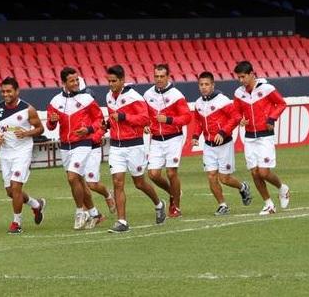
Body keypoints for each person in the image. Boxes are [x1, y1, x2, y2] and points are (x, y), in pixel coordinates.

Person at [105, 64, 166, 233]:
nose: (111, 84)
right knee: (117, 182)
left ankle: (159, 203)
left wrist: (124, 117)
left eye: (114, 81)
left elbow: (145, 119)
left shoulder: (134, 97)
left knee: (139, 183)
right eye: (109, 81)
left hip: (134, 145)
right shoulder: (109, 96)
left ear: (123, 80)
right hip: (116, 146)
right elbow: (113, 119)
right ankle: (122, 221)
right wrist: (107, 124)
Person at [46, 67, 105, 230]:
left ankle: (80, 212)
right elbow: (50, 127)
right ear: (63, 83)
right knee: (78, 181)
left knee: (72, 177)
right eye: (72, 81)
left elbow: (100, 120)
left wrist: (89, 130)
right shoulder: (55, 101)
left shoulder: (87, 99)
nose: (75, 83)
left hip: (83, 143)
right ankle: (94, 213)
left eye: (77, 80)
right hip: (65, 145)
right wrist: (52, 120)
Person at [233, 61, 290, 215]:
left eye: (243, 77)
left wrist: (271, 118)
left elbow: (281, 104)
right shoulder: (239, 93)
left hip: (265, 135)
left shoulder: (267, 89)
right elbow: (236, 111)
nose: (241, 80)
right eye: (238, 77)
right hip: (250, 136)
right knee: (254, 172)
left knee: (264, 172)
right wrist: (240, 119)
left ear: (252, 74)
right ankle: (269, 204)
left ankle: (282, 188)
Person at [192, 71, 252, 215]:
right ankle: (222, 205)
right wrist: (195, 136)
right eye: (201, 84)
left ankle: (243, 187)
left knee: (224, 178)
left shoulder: (222, 100)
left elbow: (236, 117)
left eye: (207, 84)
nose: (204, 87)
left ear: (213, 85)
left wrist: (222, 132)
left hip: (224, 144)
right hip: (208, 146)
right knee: (211, 175)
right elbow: (198, 122)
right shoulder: (198, 104)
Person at [0, 77, 46, 234]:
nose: (5, 94)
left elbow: (40, 129)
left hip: (22, 152)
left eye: (9, 91)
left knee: (16, 186)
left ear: (17, 91)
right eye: (3, 91)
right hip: (6, 152)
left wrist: (27, 133)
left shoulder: (28, 109)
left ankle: (17, 223)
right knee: (10, 191)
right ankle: (36, 205)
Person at [143, 64, 192, 218]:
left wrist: (168, 119)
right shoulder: (147, 94)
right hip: (156, 139)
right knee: (153, 174)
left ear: (168, 77)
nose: (158, 79)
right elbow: (144, 115)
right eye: (156, 76)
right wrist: (145, 125)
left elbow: (187, 118)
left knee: (171, 172)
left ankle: (175, 206)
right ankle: (173, 193)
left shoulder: (177, 95)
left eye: (162, 76)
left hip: (174, 138)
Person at [79, 78, 116, 214]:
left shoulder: (93, 109)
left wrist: (94, 137)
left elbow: (102, 125)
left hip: (92, 147)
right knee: (79, 181)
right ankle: (87, 210)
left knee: (91, 183)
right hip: (77, 146)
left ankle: (108, 195)